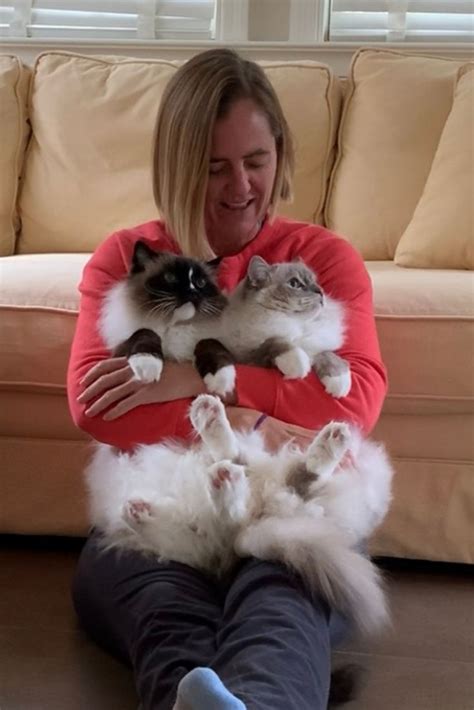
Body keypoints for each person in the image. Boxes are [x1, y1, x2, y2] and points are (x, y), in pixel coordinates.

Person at [68, 48, 387, 710]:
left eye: (256, 162)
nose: (240, 185)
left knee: (283, 592)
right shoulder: (130, 261)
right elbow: (98, 408)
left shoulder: (322, 260)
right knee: (161, 607)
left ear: (281, 154)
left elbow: (352, 402)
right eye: (214, 167)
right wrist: (270, 405)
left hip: (291, 499)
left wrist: (201, 381)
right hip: (166, 511)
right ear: (176, 167)